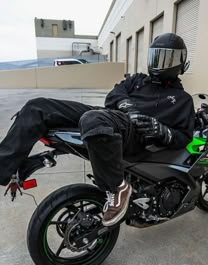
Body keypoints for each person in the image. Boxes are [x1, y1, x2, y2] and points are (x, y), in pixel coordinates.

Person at [0, 33, 195, 226]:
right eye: (156, 56)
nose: (159, 63)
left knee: (92, 118)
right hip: (109, 118)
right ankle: (4, 167)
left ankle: (117, 187)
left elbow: (184, 136)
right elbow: (114, 95)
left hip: (133, 136)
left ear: (180, 61)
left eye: (167, 57)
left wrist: (162, 131)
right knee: (37, 107)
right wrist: (129, 107)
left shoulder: (183, 100)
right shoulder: (137, 80)